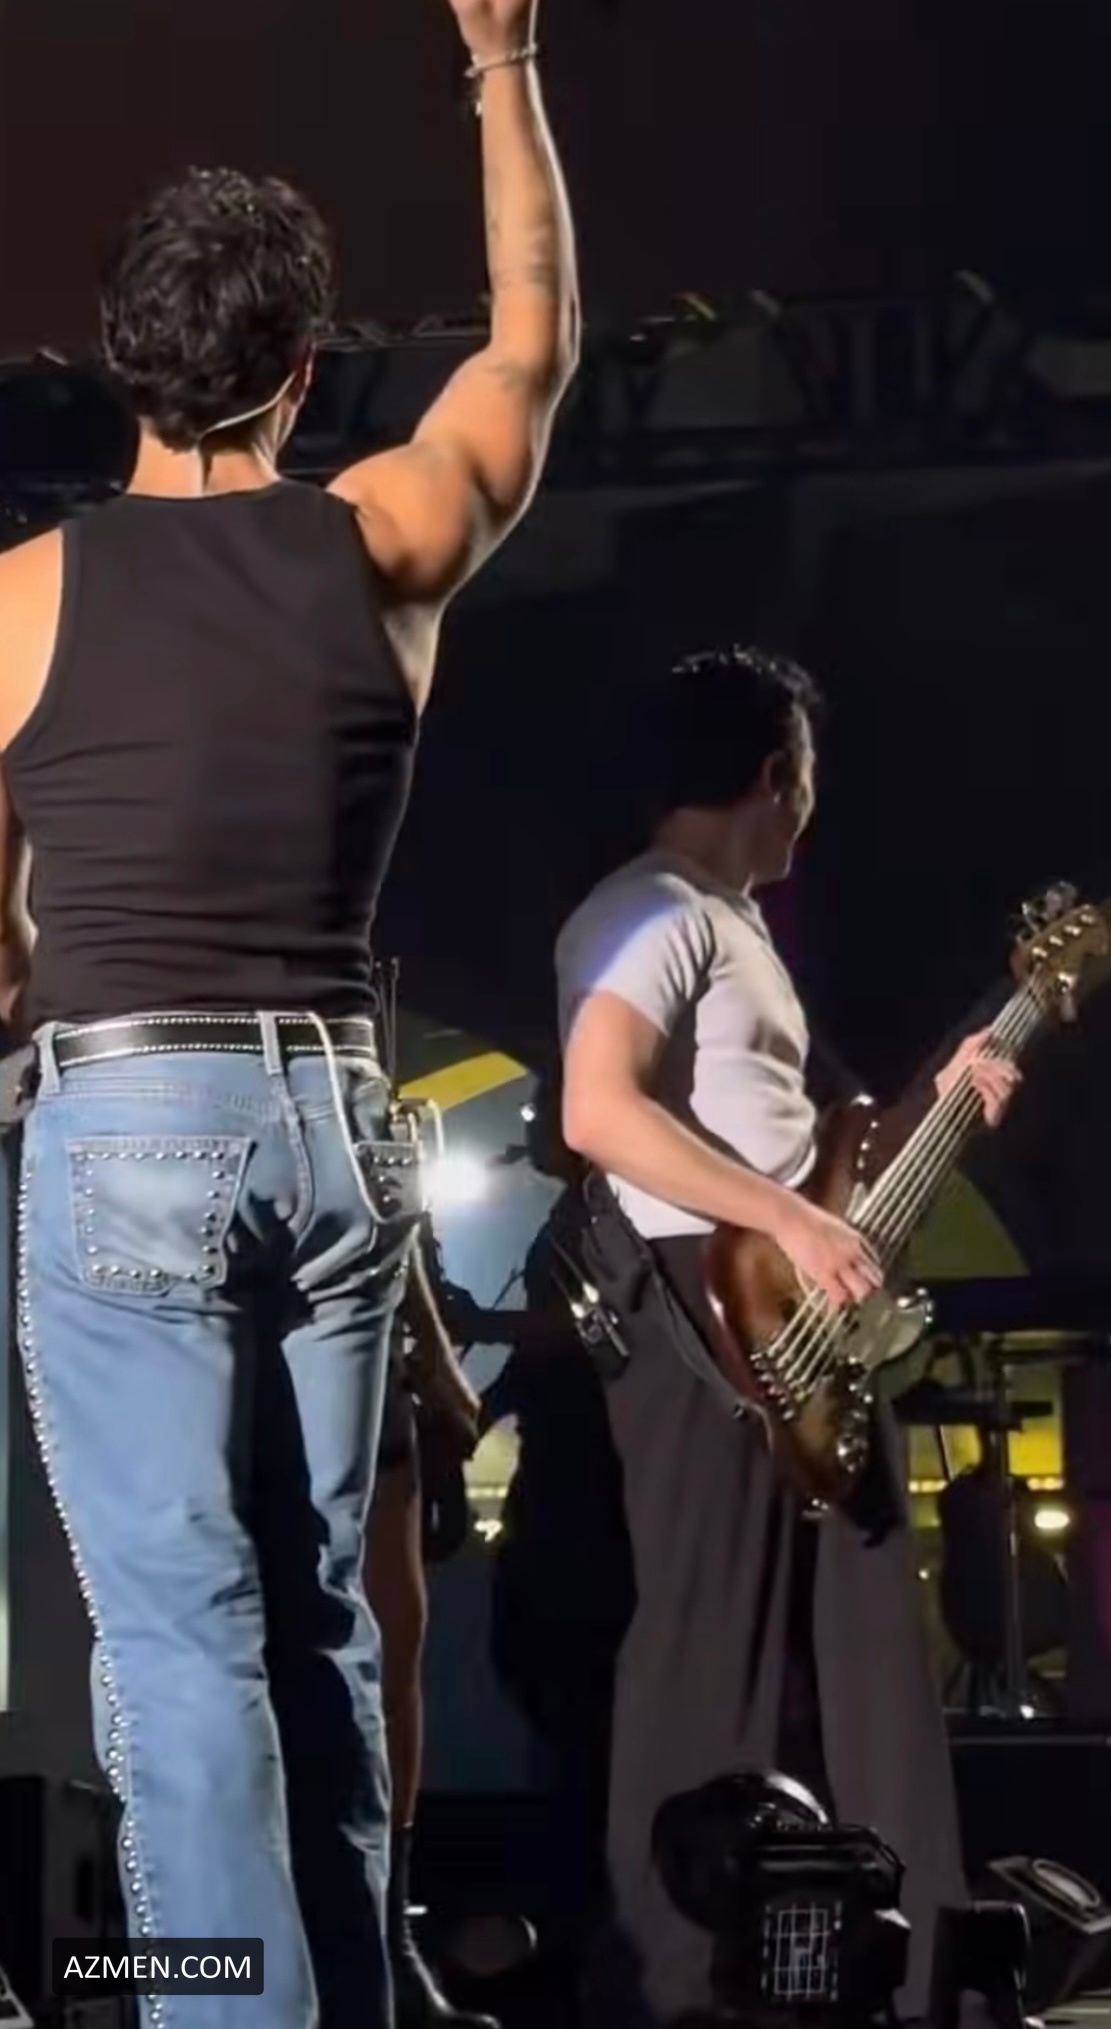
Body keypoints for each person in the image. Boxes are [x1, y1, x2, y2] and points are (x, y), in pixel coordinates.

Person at [0, 0, 577, 2020]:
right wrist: (500, 59)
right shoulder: (386, 538)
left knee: (180, 1648)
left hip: (121, 1125)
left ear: (120, 358)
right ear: (303, 370)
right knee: (324, 1615)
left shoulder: (19, 600)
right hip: (339, 1123)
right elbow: (531, 344)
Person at [555, 646, 1018, 2028]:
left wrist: (931, 1104)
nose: (810, 808)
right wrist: (789, 1219)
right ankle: (667, 1982)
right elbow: (596, 1108)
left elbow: (795, 1151)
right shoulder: (647, 908)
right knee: (711, 1653)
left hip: (795, 1313)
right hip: (697, 1305)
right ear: (775, 774)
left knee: (873, 1656)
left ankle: (919, 1973)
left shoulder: (728, 924)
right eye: (807, 777)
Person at [365, 1223, 499, 2029]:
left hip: (356, 1321)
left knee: (391, 1648)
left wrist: (432, 1343)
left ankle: (387, 1936)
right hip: (189, 1310)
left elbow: (386, 1181)